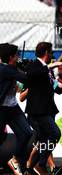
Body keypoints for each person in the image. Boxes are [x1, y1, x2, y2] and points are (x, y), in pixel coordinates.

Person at [25, 42, 62, 175]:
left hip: (47, 110)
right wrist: (50, 66)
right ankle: (40, 164)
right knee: (55, 134)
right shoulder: (34, 65)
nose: (52, 55)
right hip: (38, 112)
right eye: (51, 52)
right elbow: (32, 74)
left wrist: (60, 90)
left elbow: (50, 84)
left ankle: (30, 167)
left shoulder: (46, 69)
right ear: (45, 53)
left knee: (43, 140)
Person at [0, 43, 33, 175]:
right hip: (1, 109)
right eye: (17, 55)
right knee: (0, 137)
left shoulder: (10, 68)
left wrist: (20, 67)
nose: (19, 57)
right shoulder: (5, 69)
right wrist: (27, 67)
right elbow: (26, 79)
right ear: (11, 57)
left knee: (26, 133)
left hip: (13, 108)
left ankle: (16, 160)